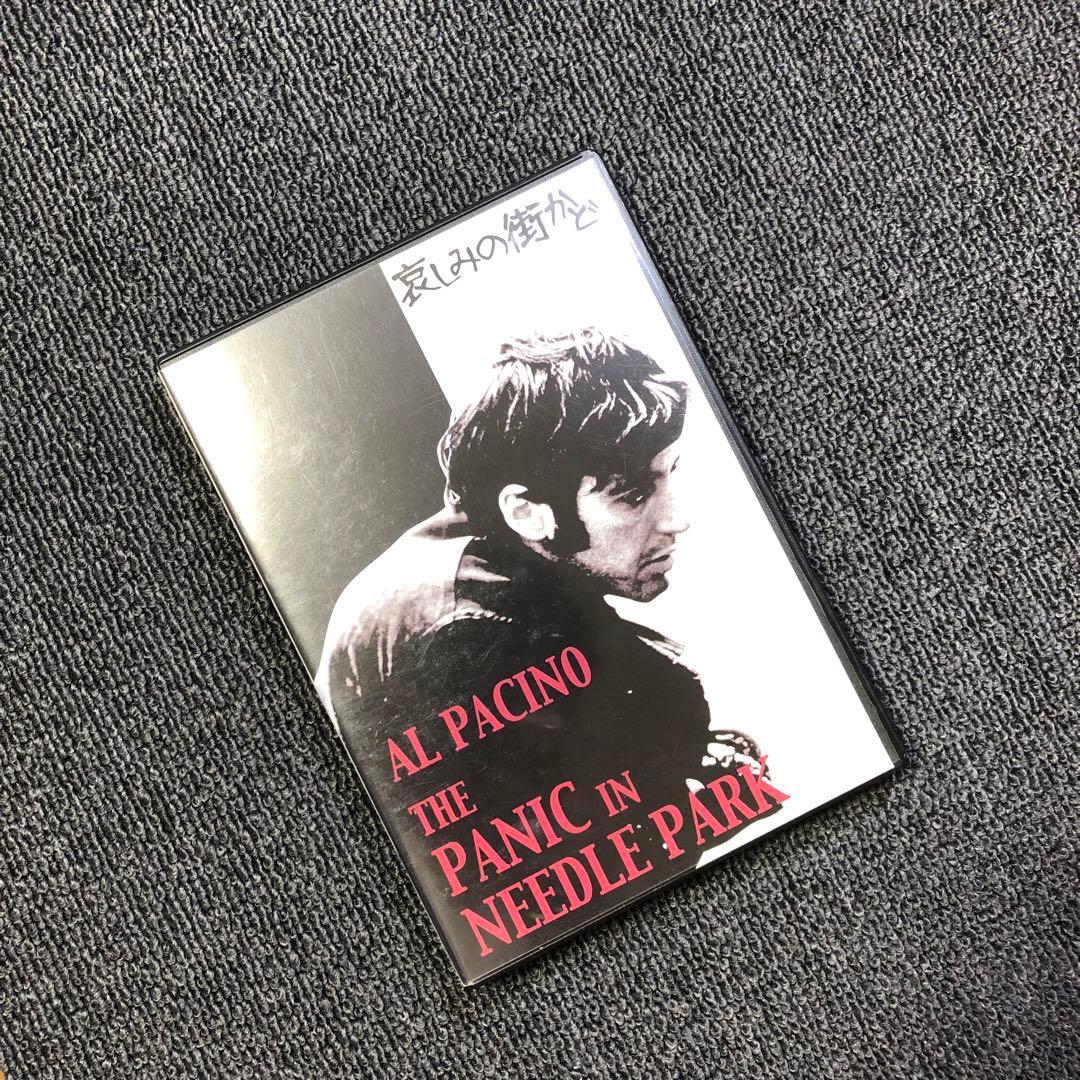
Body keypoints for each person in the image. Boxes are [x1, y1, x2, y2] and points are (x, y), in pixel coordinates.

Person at [316, 329, 764, 900]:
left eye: (670, 473)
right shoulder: (474, 636)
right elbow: (578, 881)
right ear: (527, 510)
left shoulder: (481, 551)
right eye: (632, 494)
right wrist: (705, 797)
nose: (677, 519)